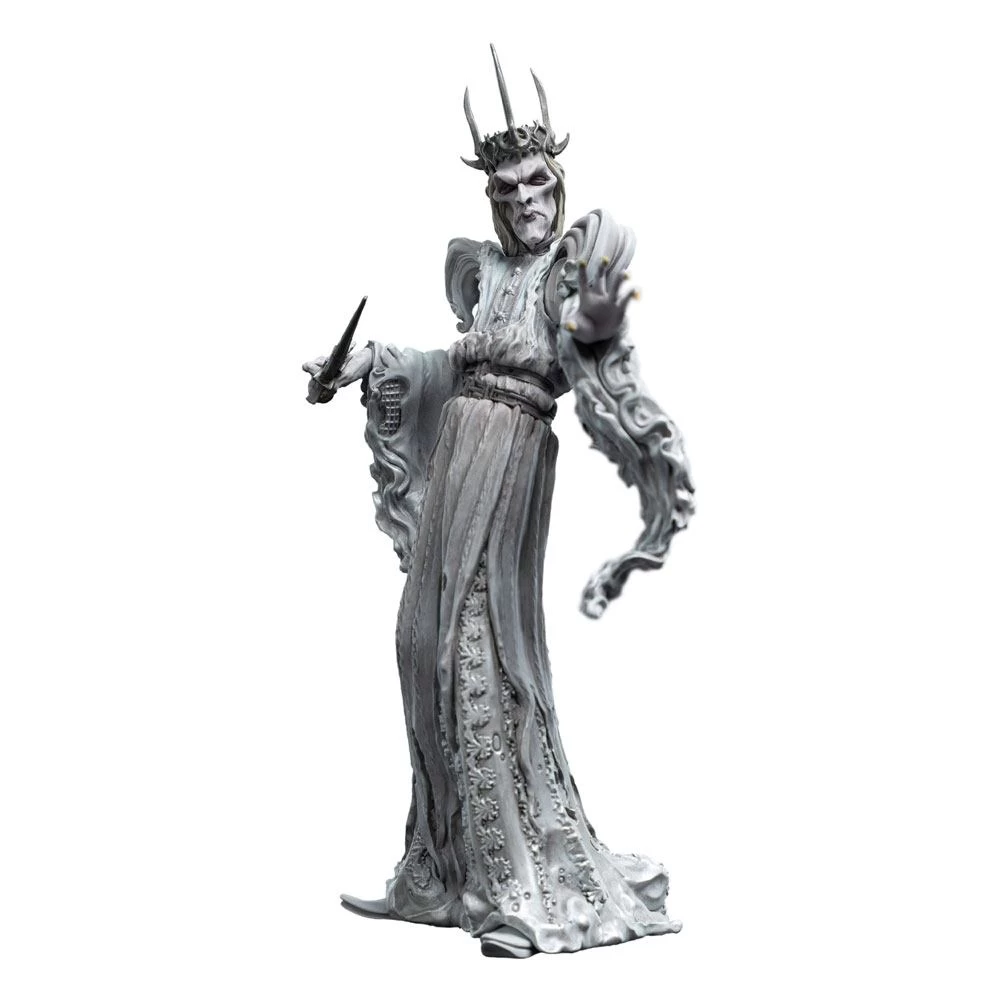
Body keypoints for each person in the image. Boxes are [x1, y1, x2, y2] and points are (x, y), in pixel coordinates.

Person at [304, 47, 695, 958]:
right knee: (420, 645)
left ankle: (520, 885)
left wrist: (603, 325)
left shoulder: (569, 268)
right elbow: (459, 364)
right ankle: (441, 872)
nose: (523, 202)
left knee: (478, 649)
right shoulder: (487, 273)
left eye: (536, 185)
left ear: (558, 185)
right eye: (506, 190)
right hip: (459, 451)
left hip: (513, 454)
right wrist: (369, 363)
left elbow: (583, 349)